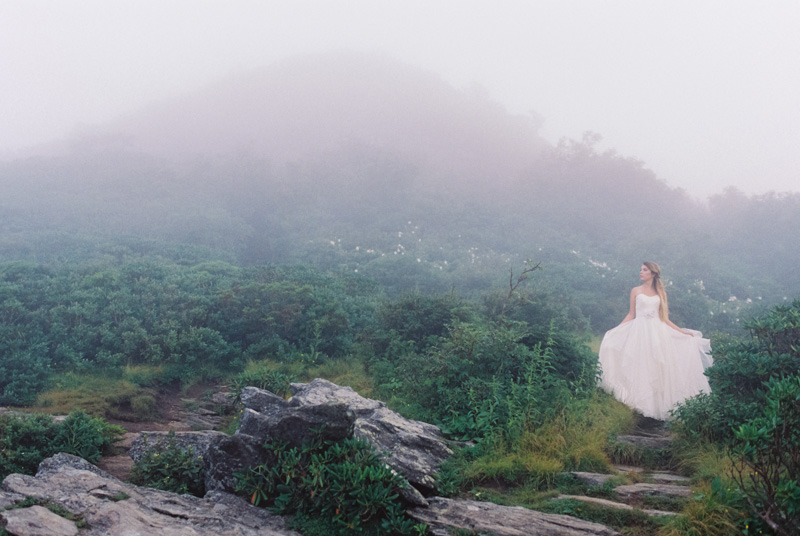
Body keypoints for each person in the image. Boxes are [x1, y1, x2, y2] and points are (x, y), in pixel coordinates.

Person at [598, 261, 712, 420]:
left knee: (656, 368)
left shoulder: (660, 293)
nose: (641, 272)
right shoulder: (635, 291)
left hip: (658, 333)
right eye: (641, 269)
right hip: (639, 332)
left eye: (644, 270)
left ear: (652, 273)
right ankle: (638, 404)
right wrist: (616, 329)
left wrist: (681, 332)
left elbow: (664, 318)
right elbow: (632, 314)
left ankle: (656, 407)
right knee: (640, 365)